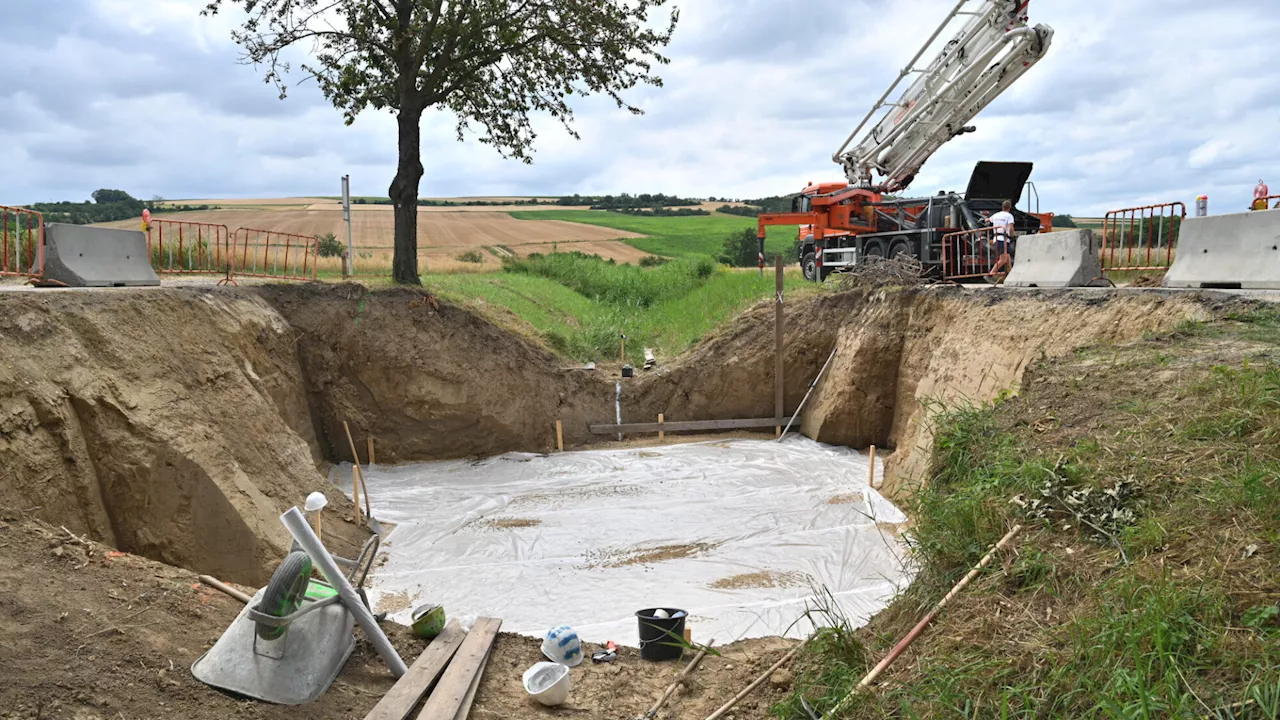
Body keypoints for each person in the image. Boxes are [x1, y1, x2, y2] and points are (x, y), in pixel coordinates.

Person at [985, 200, 1016, 284]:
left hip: (996, 239)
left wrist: (985, 219)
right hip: (1004, 239)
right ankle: (990, 274)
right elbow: (1011, 227)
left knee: (1008, 258)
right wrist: (1012, 236)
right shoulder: (1009, 216)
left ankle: (1011, 276)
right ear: (1009, 208)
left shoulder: (996, 215)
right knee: (1003, 259)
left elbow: (988, 220)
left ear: (1002, 207)